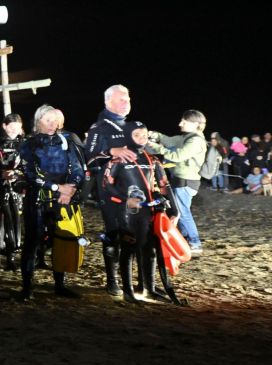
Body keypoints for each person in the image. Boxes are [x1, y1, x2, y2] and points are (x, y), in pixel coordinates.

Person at [17, 105, 86, 300]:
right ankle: (27, 287)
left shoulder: (66, 142)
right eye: (47, 120)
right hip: (38, 199)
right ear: (38, 121)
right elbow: (31, 174)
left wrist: (70, 189)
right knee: (32, 242)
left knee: (60, 241)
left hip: (63, 199)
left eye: (54, 120)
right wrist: (57, 188)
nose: (52, 124)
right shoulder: (29, 144)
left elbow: (78, 170)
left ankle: (60, 284)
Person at [101, 121, 171, 302]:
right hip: (127, 213)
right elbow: (106, 186)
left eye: (145, 135)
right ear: (127, 137)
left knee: (150, 251)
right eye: (137, 135)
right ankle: (128, 291)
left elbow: (163, 185)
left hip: (148, 212)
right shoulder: (118, 159)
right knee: (128, 250)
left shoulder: (153, 159)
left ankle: (149, 288)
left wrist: (170, 205)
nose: (142, 139)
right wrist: (126, 200)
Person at [84, 84, 135, 295]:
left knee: (133, 233)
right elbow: (89, 156)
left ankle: (131, 281)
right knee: (113, 232)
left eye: (128, 99)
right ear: (108, 102)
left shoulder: (132, 126)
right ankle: (112, 280)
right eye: (120, 99)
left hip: (134, 189)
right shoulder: (100, 127)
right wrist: (110, 151)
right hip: (109, 189)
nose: (126, 103)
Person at [145, 109, 207, 255]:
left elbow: (177, 155)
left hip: (186, 182)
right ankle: (186, 241)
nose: (180, 124)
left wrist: (156, 147)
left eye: (184, 122)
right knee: (181, 212)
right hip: (182, 181)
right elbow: (170, 141)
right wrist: (156, 135)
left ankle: (195, 243)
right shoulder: (187, 137)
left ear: (196, 124)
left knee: (182, 212)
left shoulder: (195, 141)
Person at [0, 113, 26, 271]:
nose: (13, 131)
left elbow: (27, 166)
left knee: (14, 222)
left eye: (16, 128)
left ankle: (11, 259)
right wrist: (0, 174)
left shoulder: (23, 143)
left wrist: (17, 175)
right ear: (4, 126)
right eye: (10, 127)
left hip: (16, 188)